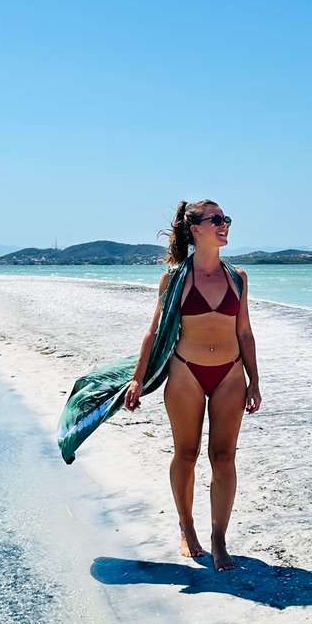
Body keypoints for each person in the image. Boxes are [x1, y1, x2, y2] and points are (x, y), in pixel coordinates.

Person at [125, 199, 261, 571]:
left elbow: (244, 332)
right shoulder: (175, 278)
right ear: (195, 228)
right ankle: (186, 527)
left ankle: (219, 538)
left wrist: (254, 380)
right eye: (215, 219)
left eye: (226, 219)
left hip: (230, 374)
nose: (224, 224)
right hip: (186, 372)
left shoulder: (238, 277)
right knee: (186, 454)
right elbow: (154, 331)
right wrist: (137, 379)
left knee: (224, 457)